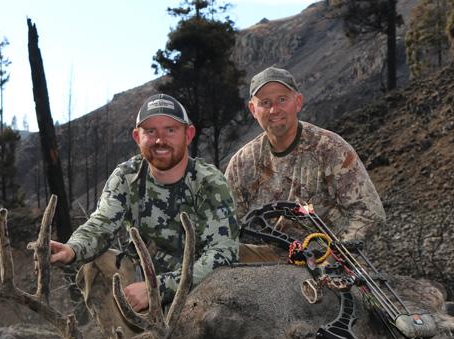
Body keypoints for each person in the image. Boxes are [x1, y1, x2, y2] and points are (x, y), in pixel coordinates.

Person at [50, 94, 239, 312]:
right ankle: (127, 338)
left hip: (197, 286)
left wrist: (156, 288)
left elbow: (223, 254)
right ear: (137, 137)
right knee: (96, 265)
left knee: (229, 282)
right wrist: (72, 248)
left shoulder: (209, 182)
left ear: (188, 134)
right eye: (150, 131)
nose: (160, 140)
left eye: (170, 130)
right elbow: (102, 223)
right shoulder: (126, 176)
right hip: (143, 277)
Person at [225, 66, 385, 259]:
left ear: (298, 102)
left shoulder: (330, 148)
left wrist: (336, 254)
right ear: (253, 109)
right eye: (265, 103)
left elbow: (370, 212)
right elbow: (228, 225)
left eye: (282, 100)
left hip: (325, 257)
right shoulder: (241, 164)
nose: (274, 110)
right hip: (268, 262)